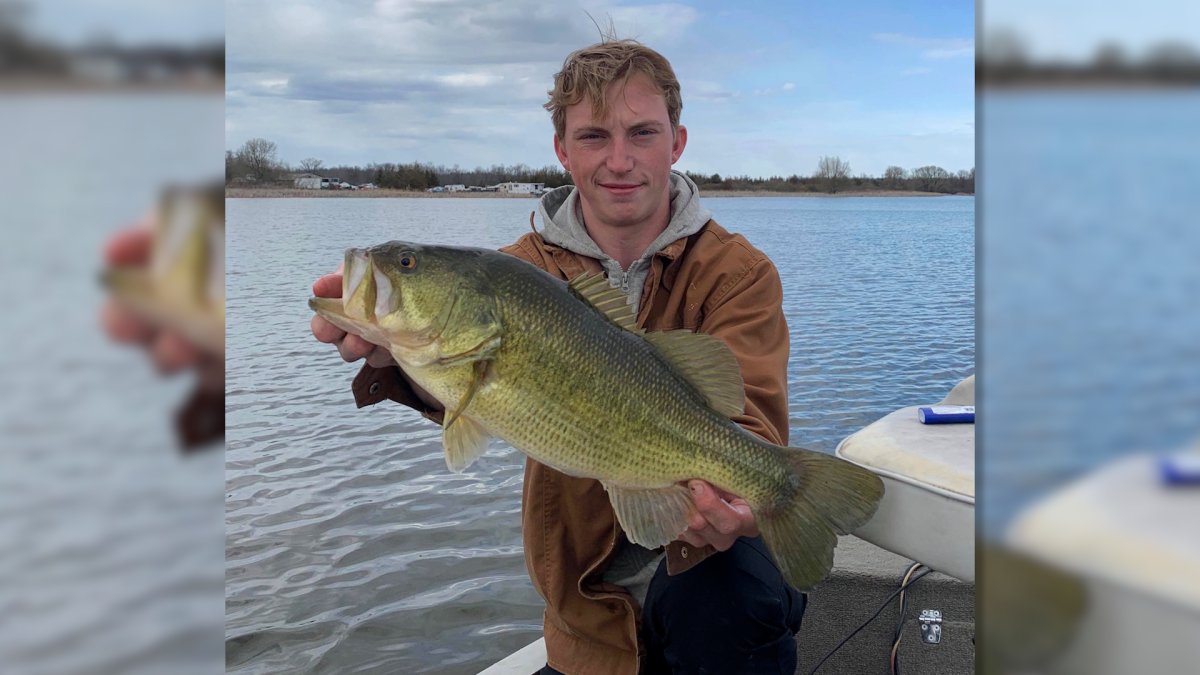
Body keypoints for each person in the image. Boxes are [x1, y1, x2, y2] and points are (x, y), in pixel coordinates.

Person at [311, 39, 805, 674]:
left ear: (677, 142)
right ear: (562, 151)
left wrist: (745, 498)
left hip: (705, 566)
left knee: (732, 597)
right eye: (594, 136)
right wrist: (389, 360)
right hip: (585, 607)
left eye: (642, 133)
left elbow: (752, 416)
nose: (620, 160)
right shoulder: (518, 272)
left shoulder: (737, 273)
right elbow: (471, 388)